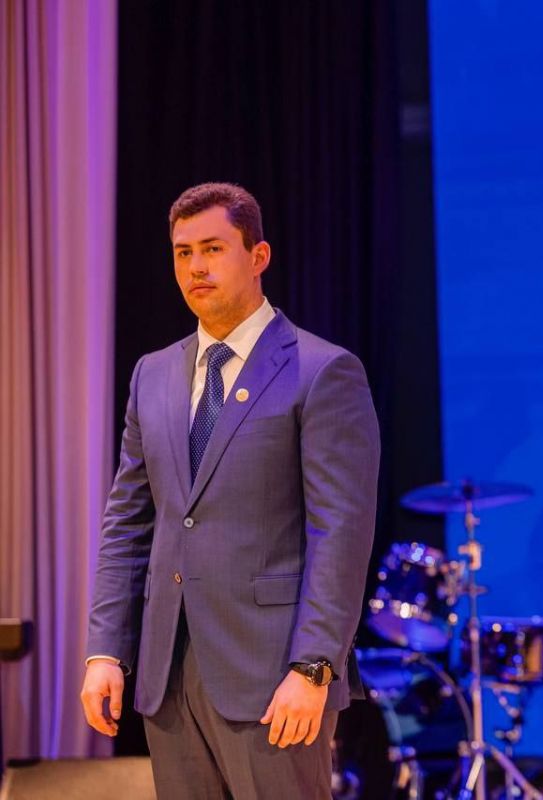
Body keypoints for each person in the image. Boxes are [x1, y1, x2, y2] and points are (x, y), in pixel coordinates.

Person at [80, 182, 380, 798]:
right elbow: (127, 523)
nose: (195, 266)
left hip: (274, 676)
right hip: (168, 676)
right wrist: (105, 651)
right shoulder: (152, 374)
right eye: (182, 252)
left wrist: (315, 665)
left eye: (213, 248)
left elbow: (340, 534)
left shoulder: (322, 371)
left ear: (258, 256)